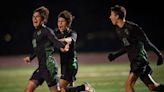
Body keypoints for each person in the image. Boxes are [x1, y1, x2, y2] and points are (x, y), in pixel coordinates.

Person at [108, 5, 164, 92]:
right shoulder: (118, 30)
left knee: (128, 84)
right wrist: (116, 55)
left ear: (117, 16)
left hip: (139, 60)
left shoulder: (133, 27)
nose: (110, 17)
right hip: (134, 61)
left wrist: (159, 54)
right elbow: (127, 47)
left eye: (111, 15)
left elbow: (147, 42)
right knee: (153, 87)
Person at [23, 6, 68, 92]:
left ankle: (81, 88)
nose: (34, 19)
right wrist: (31, 58)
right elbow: (38, 49)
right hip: (41, 68)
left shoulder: (47, 31)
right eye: (33, 16)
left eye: (37, 17)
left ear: (43, 19)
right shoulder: (35, 33)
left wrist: (64, 46)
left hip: (49, 67)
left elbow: (55, 41)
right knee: (28, 90)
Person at [54, 10, 95, 92]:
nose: (60, 23)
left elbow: (70, 40)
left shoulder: (72, 33)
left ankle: (83, 87)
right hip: (64, 66)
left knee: (58, 89)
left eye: (62, 21)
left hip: (71, 65)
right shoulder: (56, 32)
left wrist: (57, 41)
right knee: (66, 89)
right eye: (58, 21)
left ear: (67, 23)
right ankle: (84, 88)